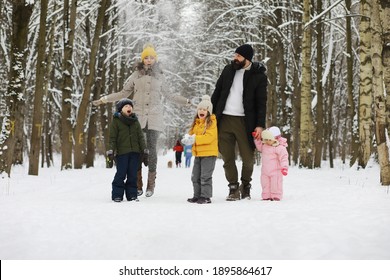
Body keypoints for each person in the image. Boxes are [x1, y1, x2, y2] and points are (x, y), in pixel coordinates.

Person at [92, 43, 190, 197]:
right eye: (146, 57)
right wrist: (105, 99)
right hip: (137, 118)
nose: (149, 60)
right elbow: (123, 92)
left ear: (155, 59)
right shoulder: (135, 75)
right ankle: (138, 184)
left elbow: (170, 95)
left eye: (151, 57)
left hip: (154, 118)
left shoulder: (161, 76)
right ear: (142, 59)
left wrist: (186, 101)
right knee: (136, 151)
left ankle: (151, 185)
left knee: (151, 151)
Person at [211, 43, 268, 201]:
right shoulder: (228, 70)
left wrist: (259, 124)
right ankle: (233, 187)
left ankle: (246, 185)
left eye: (238, 56)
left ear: (247, 59)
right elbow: (216, 92)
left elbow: (261, 102)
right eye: (235, 55)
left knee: (248, 159)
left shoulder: (259, 76)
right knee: (227, 158)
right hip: (224, 120)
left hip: (245, 122)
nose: (235, 58)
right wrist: (211, 114)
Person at [107, 99, 149, 202]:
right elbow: (112, 138)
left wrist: (144, 150)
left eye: (130, 106)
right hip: (121, 153)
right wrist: (111, 151)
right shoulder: (116, 121)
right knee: (121, 174)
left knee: (132, 175)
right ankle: (117, 195)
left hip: (135, 153)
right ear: (121, 109)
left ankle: (132, 195)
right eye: (126, 106)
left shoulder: (135, 121)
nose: (129, 108)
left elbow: (140, 137)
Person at [181, 95, 218, 204]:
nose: (202, 111)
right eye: (200, 109)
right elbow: (191, 134)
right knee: (195, 176)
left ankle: (205, 196)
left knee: (205, 176)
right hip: (198, 154)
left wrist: (195, 138)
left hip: (209, 154)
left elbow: (209, 137)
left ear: (209, 111)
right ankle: (197, 196)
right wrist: (187, 138)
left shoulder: (211, 122)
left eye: (204, 109)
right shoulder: (196, 123)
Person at [253, 126, 288, 201]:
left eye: (270, 139)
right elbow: (259, 147)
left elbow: (284, 158)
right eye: (266, 139)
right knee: (265, 184)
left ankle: (276, 196)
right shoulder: (264, 145)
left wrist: (284, 167)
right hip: (265, 171)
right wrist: (257, 139)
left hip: (276, 171)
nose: (268, 141)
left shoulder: (279, 147)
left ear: (276, 139)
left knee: (275, 184)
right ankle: (266, 196)